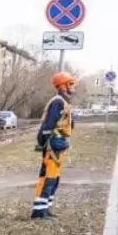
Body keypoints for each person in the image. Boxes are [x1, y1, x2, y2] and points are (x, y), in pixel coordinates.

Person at [31, 71, 76, 220]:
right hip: (53, 144)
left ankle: (46, 208)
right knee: (48, 177)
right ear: (62, 86)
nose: (73, 87)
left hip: (60, 143)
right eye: (70, 84)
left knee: (55, 178)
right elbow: (48, 124)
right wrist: (42, 142)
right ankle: (39, 212)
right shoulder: (58, 102)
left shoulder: (65, 102)